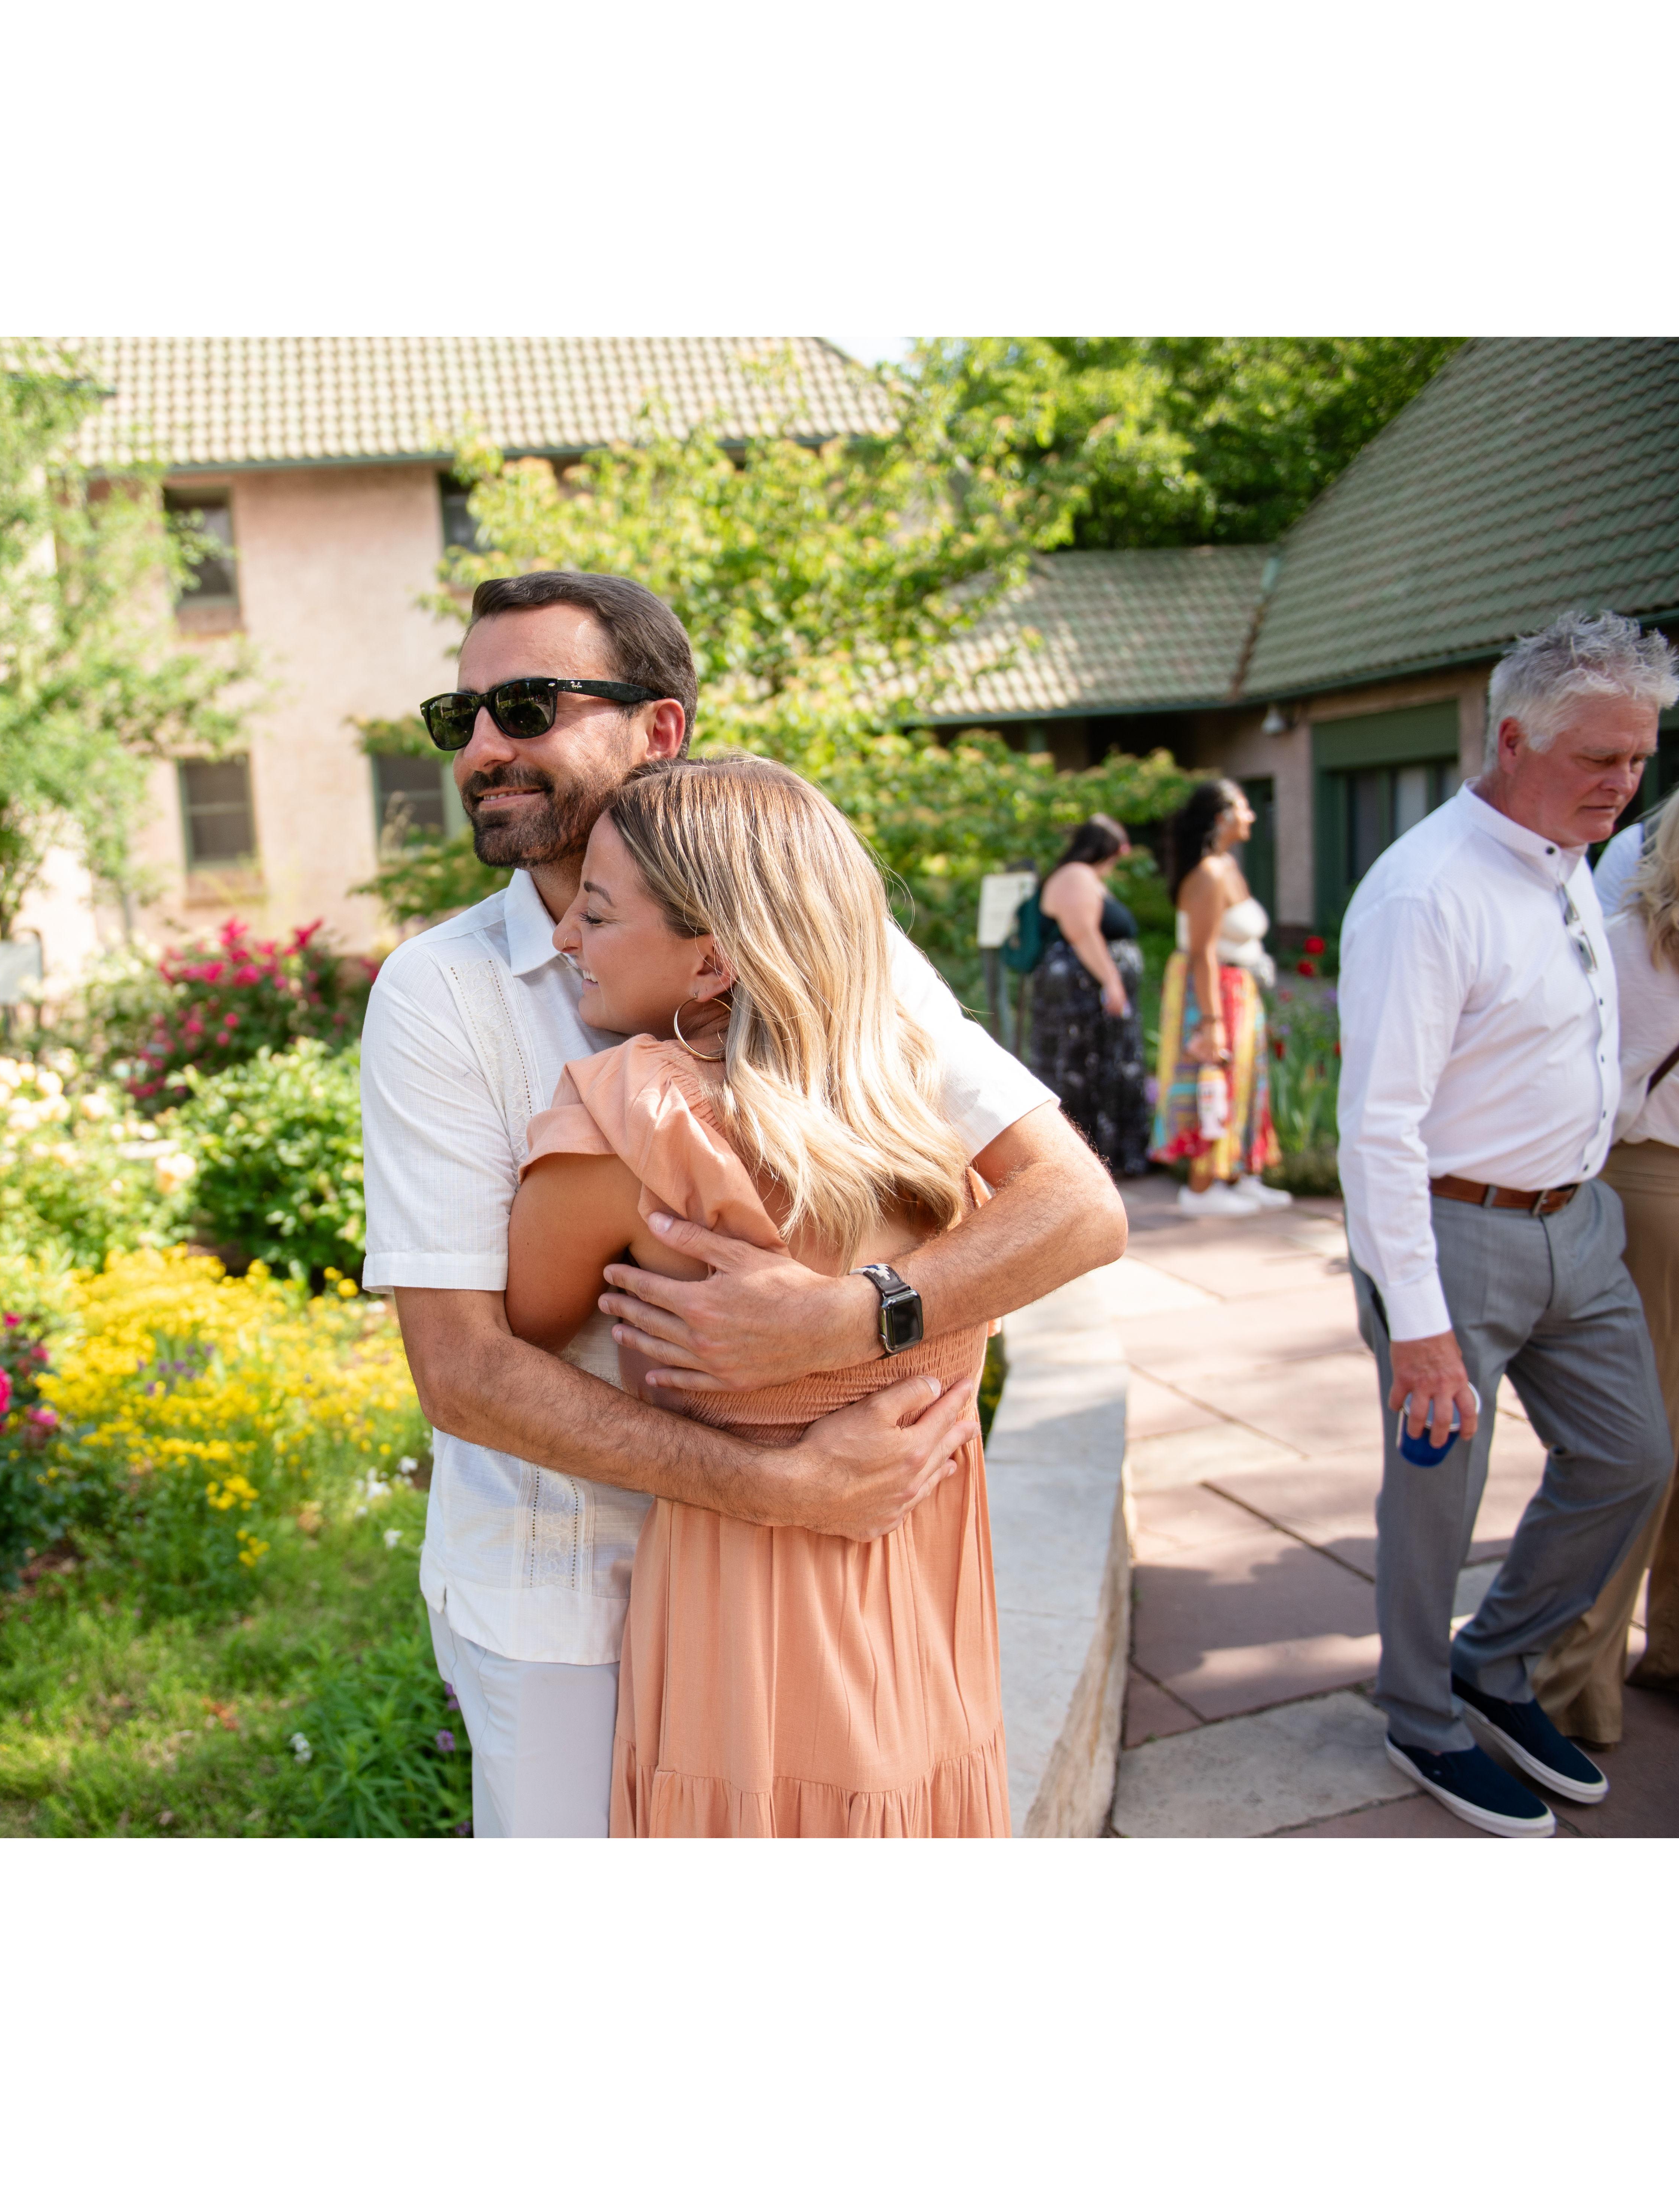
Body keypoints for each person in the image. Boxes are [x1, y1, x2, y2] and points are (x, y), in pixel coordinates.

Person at [358, 570, 1128, 1837]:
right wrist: (784, 1486)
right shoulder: (439, 994)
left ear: (658, 728)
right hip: (568, 1605)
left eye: (526, 706)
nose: (482, 746)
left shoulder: (826, 945)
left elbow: (1075, 1206)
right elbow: (464, 1371)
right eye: (463, 716)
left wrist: (849, 1317)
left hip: (844, 1578)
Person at [507, 757, 1007, 1835]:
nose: (564, 936)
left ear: (711, 961)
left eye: (596, 912)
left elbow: (526, 1325)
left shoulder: (634, 1135)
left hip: (750, 1635)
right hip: (926, 1615)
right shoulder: (927, 1114)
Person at [1338, 609, 1679, 1837]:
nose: (1623, 783)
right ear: (1513, 738)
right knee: (1438, 1493)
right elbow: (1378, 1126)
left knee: (1630, 1456)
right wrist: (1420, 1326)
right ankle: (1419, 1712)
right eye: (1599, 757)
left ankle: (1494, 1663)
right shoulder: (1424, 893)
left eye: (1639, 758)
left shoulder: (1569, 855)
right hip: (1451, 1234)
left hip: (1576, 1225)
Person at [1533, 768, 1679, 1742]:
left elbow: (1587, 1076)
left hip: (1653, 1186)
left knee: (1634, 1448)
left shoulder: (1627, 928)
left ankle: (1573, 1689)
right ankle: (1676, 1647)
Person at [1148, 779, 1285, 1216]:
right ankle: (1202, 1187)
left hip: (1237, 988)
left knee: (1247, 1081)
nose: (1252, 816)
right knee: (1213, 1079)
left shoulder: (1225, 866)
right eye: (1245, 808)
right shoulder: (1207, 874)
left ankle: (1240, 1174)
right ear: (1222, 817)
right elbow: (1202, 952)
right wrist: (1210, 1022)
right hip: (1213, 991)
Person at [1026, 815, 1149, 1176]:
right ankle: (1083, 1161)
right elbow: (1082, 932)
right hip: (1079, 998)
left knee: (1100, 1069)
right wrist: (1112, 981)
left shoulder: (1084, 876)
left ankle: (1112, 1155)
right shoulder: (1075, 875)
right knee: (1081, 1069)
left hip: (1088, 996)